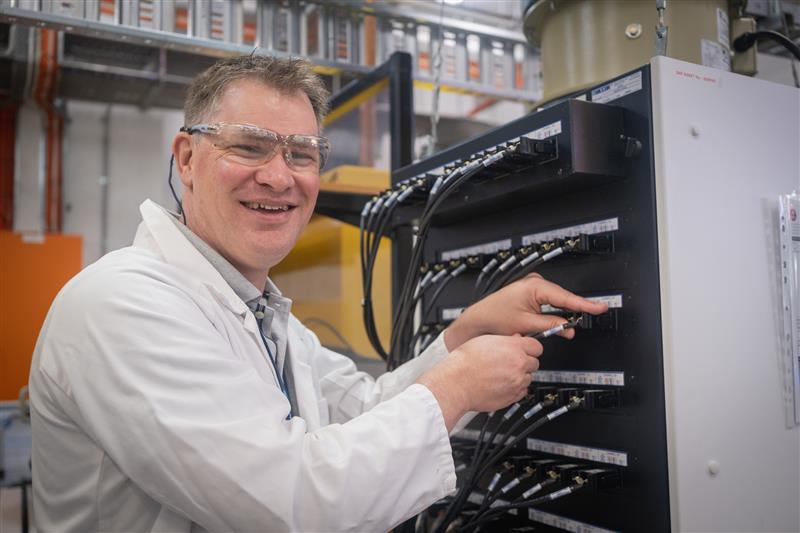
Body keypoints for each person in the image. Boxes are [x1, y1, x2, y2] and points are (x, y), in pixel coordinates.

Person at [28, 55, 607, 532]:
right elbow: (291, 502)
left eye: (301, 153)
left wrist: (463, 336)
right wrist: (455, 387)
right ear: (186, 158)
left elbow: (363, 411)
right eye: (250, 146)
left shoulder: (264, 314)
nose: (280, 177)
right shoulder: (123, 302)